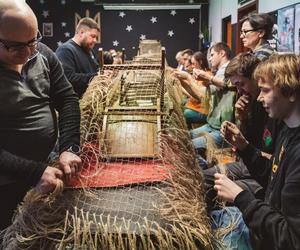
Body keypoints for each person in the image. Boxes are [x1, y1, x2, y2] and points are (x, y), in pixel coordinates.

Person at [0, 0, 82, 230]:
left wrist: (69, 147)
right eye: (15, 47)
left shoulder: (42, 54)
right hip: (6, 183)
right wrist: (34, 172)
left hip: (44, 170)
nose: (27, 53)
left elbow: (67, 99)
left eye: (32, 41)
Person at [215, 54, 300, 249]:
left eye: (266, 90)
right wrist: (244, 146)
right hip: (264, 222)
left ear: (291, 92)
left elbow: (290, 239)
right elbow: (271, 174)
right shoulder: (288, 130)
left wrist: (241, 197)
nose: (259, 97)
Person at [190, 42, 235, 150]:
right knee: (186, 137)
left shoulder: (230, 69)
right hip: (212, 124)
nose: (209, 59)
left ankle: (205, 166)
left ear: (222, 53)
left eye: (212, 55)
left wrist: (206, 78)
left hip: (221, 129)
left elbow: (224, 83)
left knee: (187, 146)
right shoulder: (219, 71)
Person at [56, 17, 99, 98]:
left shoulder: (89, 50)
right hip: (75, 102)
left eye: (96, 37)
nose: (95, 40)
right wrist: (97, 77)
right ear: (81, 32)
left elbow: (95, 70)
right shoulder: (65, 50)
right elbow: (68, 78)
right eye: (93, 36)